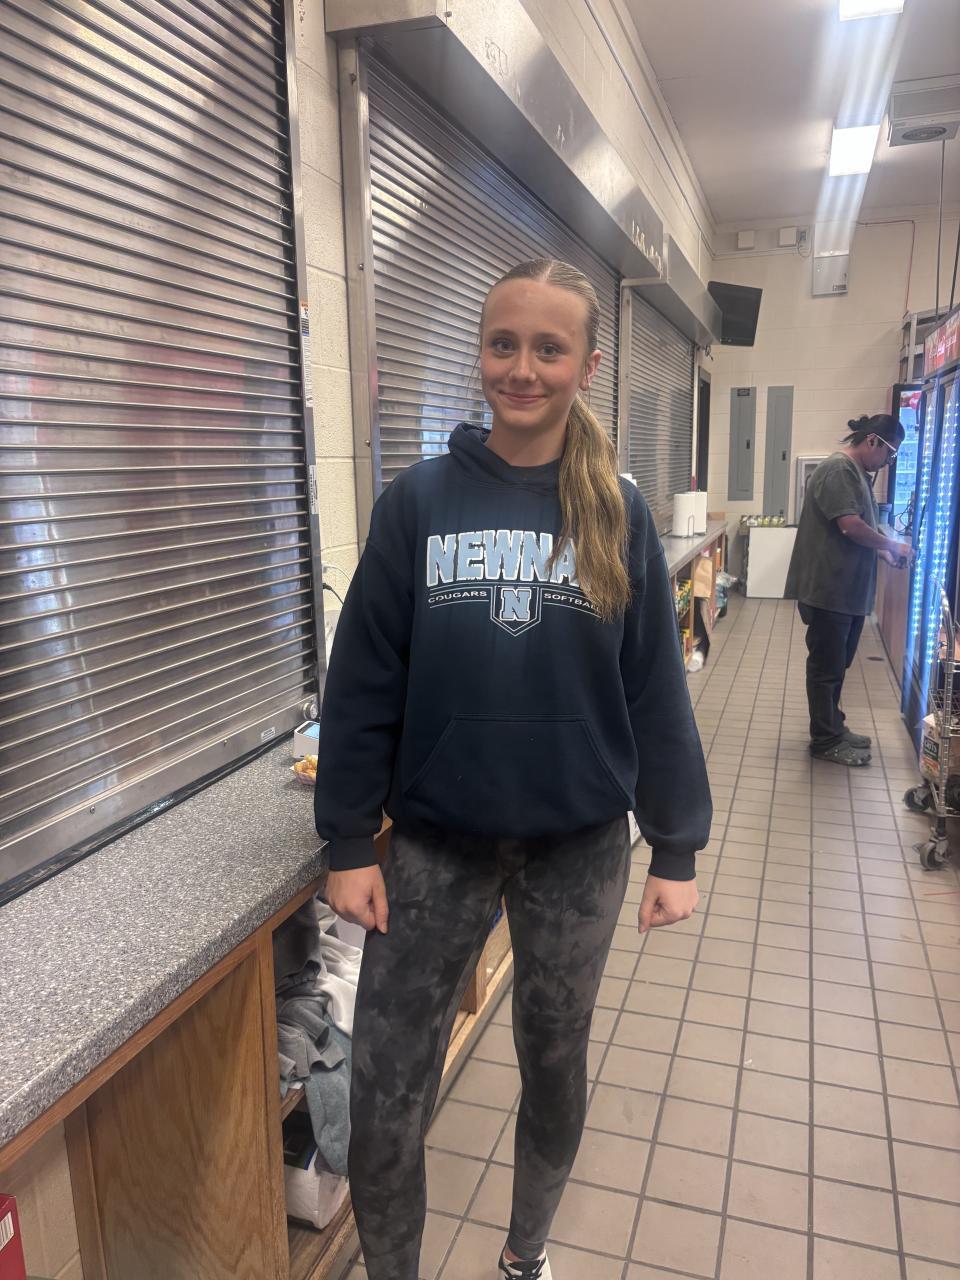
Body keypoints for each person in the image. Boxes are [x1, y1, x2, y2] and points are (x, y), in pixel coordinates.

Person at [313, 258, 711, 1280]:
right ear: (480, 352)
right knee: (384, 1087)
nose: (522, 368)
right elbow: (363, 678)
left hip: (578, 852)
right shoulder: (419, 502)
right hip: (435, 848)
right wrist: (348, 836)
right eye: (503, 344)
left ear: (587, 364)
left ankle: (524, 1252)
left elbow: (652, 687)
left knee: (554, 1061)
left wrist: (676, 842)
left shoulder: (615, 510)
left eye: (548, 348)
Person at [785, 413, 912, 766]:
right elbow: (850, 527)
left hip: (846, 592)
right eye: (890, 454)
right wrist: (893, 544)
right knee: (826, 669)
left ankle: (834, 727)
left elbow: (859, 529)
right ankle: (825, 740)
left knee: (838, 666)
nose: (887, 463)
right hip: (830, 591)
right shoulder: (839, 470)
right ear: (872, 441)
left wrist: (883, 553)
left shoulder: (856, 473)